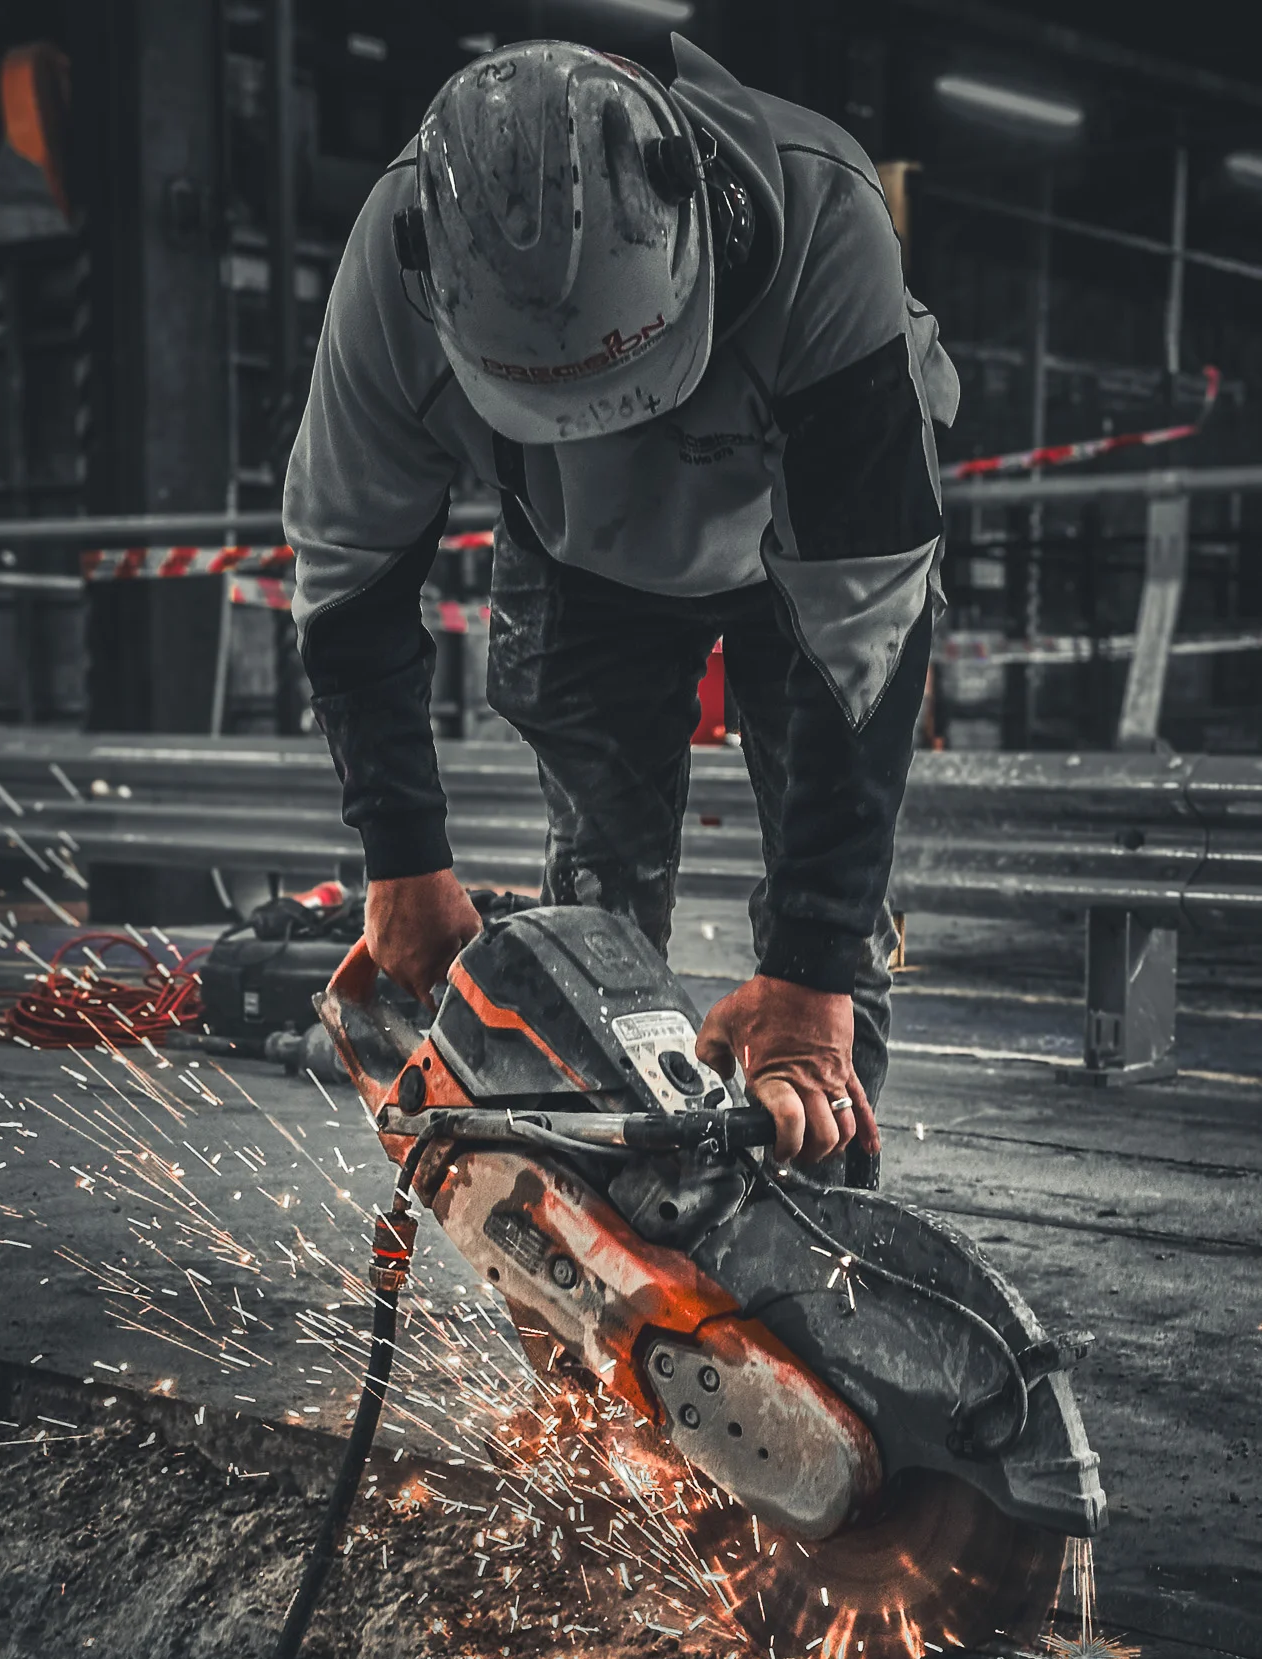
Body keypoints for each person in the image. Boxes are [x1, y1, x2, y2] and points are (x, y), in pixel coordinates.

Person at [285, 35, 958, 1175]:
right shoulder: (397, 266)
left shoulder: (821, 220)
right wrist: (402, 859)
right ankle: (605, 1204)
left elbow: (865, 639)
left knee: (824, 972)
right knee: (596, 899)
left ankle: (823, 1223)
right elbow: (348, 573)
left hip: (805, 541)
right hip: (573, 555)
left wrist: (809, 964)